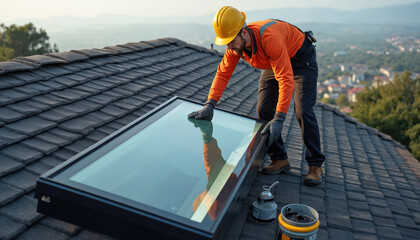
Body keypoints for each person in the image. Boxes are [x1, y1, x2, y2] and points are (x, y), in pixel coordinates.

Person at [188, 6, 325, 186]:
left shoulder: (269, 38)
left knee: (303, 110)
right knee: (263, 110)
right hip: (272, 60)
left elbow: (285, 79)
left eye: (231, 41)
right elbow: (223, 74)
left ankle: (315, 165)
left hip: (300, 59)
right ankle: (280, 159)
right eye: (226, 42)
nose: (228, 46)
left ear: (244, 33)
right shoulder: (236, 46)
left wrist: (280, 118)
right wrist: (210, 103)